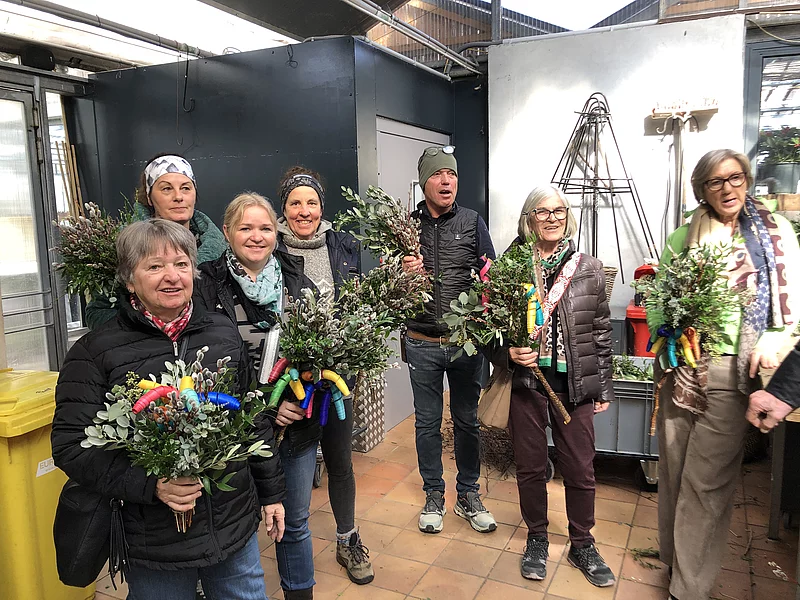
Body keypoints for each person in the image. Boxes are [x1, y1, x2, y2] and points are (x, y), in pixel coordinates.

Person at [52, 219, 285, 600]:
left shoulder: (222, 332)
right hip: (153, 541)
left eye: (181, 264)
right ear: (130, 279)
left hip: (231, 524)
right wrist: (151, 484)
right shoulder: (95, 352)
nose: (172, 276)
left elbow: (250, 420)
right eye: (154, 266)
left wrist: (272, 493)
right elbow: (71, 446)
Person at [652, 149, 800, 600]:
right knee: (674, 473)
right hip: (682, 370)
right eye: (715, 182)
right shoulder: (683, 237)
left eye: (735, 177)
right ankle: (675, 562)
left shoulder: (776, 233)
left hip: (734, 370)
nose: (727, 188)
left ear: (747, 179)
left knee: (706, 483)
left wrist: (778, 336)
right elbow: (658, 299)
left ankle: (687, 589)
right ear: (702, 189)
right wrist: (669, 344)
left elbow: (791, 301)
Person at [485, 185, 616, 587]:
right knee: (530, 467)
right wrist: (507, 353)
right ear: (529, 219)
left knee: (580, 467)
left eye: (559, 211)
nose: (552, 218)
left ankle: (583, 543)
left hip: (574, 386)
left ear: (567, 216)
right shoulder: (511, 267)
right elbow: (486, 327)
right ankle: (537, 538)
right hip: (527, 385)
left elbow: (601, 333)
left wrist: (603, 388)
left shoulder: (589, 268)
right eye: (542, 212)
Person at [271, 167, 372, 599]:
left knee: (340, 460)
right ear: (284, 209)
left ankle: (347, 538)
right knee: (289, 463)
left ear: (322, 207)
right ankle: (291, 540)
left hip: (336, 378)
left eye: (311, 202)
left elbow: (360, 304)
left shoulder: (343, 245)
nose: (304, 210)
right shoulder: (270, 249)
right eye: (295, 202)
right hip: (290, 381)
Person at [401, 145, 497, 535]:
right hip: (421, 341)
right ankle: (434, 494)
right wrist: (401, 271)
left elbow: (491, 274)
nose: (446, 181)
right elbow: (387, 286)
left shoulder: (472, 222)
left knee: (467, 421)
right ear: (424, 181)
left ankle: (469, 494)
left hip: (464, 343)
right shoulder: (406, 226)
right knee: (426, 424)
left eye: (452, 174)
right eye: (438, 174)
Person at [85, 153, 227, 329]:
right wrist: (143, 333)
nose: (178, 196)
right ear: (149, 197)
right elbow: (97, 312)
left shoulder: (220, 247)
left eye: (186, 188)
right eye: (166, 189)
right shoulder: (128, 246)